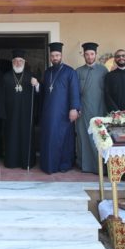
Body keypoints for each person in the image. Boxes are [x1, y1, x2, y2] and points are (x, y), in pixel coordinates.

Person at [39, 42, 81, 174]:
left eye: (57, 55)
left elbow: (75, 91)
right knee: (49, 137)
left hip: (63, 112)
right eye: (52, 56)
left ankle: (63, 164)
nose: (55, 58)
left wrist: (74, 108)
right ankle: (48, 164)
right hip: (48, 111)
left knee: (63, 138)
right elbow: (44, 91)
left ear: (61, 55)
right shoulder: (47, 72)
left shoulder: (70, 71)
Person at [0, 49, 40, 169]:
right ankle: (11, 162)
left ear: (24, 62)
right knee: (11, 137)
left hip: (27, 115)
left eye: (20, 61)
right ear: (12, 62)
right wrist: (2, 113)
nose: (18, 63)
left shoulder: (31, 76)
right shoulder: (5, 77)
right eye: (15, 61)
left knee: (26, 138)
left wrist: (37, 85)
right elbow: (0, 96)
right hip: (11, 115)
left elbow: (39, 95)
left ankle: (27, 162)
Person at [75, 42, 108, 174]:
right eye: (87, 54)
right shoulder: (78, 71)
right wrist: (76, 108)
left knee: (99, 137)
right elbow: (75, 92)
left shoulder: (103, 70)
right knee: (83, 136)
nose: (89, 56)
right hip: (83, 110)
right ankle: (84, 165)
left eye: (92, 54)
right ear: (84, 55)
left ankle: (100, 166)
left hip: (100, 109)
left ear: (96, 54)